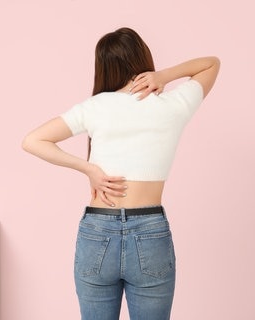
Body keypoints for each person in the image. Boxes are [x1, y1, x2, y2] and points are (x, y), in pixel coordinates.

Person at [22, 27, 220, 320]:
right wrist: (164, 75)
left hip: (97, 231)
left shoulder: (94, 107)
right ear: (142, 57)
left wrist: (88, 168)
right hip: (150, 230)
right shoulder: (173, 105)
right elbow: (211, 63)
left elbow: (32, 140)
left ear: (103, 67)